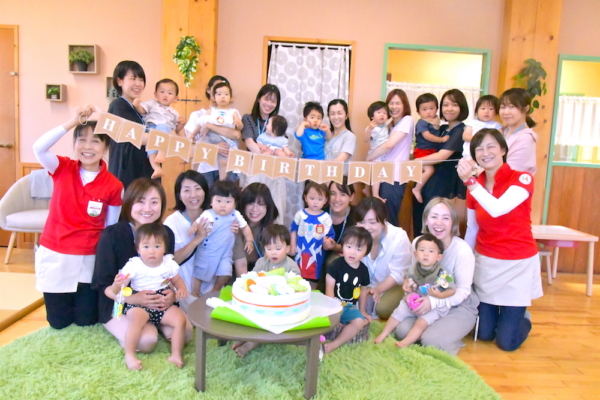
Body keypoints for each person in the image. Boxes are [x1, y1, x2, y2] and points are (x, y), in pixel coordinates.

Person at [32, 105, 123, 330]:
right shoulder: (62, 167)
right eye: (81, 140)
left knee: (86, 321)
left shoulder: (114, 185)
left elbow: (110, 227)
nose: (87, 146)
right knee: (58, 323)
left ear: (106, 147)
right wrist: (72, 122)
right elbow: (39, 148)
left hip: (88, 258)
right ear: (74, 144)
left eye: (95, 141)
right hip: (56, 253)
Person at [458, 128, 542, 351]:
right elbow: (472, 228)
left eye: (491, 146)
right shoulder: (475, 185)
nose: (485, 153)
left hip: (518, 263)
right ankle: (505, 317)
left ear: (503, 150)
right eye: (479, 149)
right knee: (483, 334)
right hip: (487, 263)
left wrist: (470, 183)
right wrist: (463, 262)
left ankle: (521, 318)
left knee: (507, 343)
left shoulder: (522, 178)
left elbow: (497, 209)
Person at [92, 178, 192, 353]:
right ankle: (148, 328)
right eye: (141, 201)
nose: (148, 208)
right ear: (129, 203)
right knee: (146, 341)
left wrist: (171, 295)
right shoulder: (113, 235)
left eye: (154, 202)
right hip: (119, 302)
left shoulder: (165, 233)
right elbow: (103, 285)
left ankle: (157, 323)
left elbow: (167, 273)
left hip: (157, 300)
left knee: (186, 334)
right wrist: (132, 299)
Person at [395, 197, 478, 356]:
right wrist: (409, 286)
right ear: (426, 220)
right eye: (434, 217)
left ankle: (448, 335)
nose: (439, 223)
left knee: (431, 340)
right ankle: (436, 331)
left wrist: (433, 302)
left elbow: (463, 291)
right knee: (402, 331)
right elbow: (414, 275)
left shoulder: (462, 250)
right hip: (426, 299)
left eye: (445, 218)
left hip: (458, 305)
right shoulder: (418, 242)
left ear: (453, 222)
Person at [106, 223, 188, 370]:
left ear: (164, 248)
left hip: (162, 301)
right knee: (136, 321)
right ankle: (130, 355)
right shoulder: (134, 265)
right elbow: (117, 289)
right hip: (139, 302)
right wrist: (117, 284)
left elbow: (177, 279)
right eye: (146, 246)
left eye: (157, 246)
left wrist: (181, 289)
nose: (152, 251)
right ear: (138, 249)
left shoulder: (168, 263)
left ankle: (176, 354)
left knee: (180, 320)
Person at [374, 234, 456, 347]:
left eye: (431, 251)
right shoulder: (413, 268)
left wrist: (439, 295)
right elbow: (408, 279)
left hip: (434, 306)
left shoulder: (443, 273)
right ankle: (383, 334)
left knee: (421, 323)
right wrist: (406, 286)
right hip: (414, 299)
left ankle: (405, 343)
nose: (426, 254)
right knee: (397, 313)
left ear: (439, 257)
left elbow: (452, 290)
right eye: (422, 250)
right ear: (416, 254)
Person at [231, 224, 299, 358]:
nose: (273, 252)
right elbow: (253, 278)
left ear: (287, 248)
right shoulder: (261, 262)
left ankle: (250, 343)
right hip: (261, 302)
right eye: (269, 249)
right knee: (249, 318)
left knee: (266, 323)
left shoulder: (291, 266)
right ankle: (244, 337)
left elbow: (295, 284)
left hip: (280, 307)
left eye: (278, 249)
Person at [411, 89, 469, 236]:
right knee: (420, 221)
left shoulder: (460, 130)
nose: (449, 109)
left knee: (432, 224)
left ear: (461, 107)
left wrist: (415, 161)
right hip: (427, 178)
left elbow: (441, 156)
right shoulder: (442, 128)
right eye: (446, 105)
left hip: (441, 182)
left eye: (454, 105)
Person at [188, 180, 253, 297]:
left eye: (228, 201)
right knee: (199, 274)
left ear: (235, 204)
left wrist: (249, 240)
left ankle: (216, 288)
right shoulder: (208, 214)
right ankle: (195, 292)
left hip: (225, 254)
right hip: (208, 252)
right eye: (218, 201)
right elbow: (197, 223)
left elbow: (245, 227)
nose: (223, 205)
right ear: (211, 202)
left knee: (226, 273)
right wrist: (193, 227)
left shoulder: (235, 214)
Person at [354, 197, 412, 319]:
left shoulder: (399, 238)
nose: (366, 227)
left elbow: (398, 274)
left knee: (382, 308)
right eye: (362, 222)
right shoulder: (356, 234)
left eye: (372, 222)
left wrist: (378, 290)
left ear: (383, 220)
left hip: (393, 285)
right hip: (365, 284)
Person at [365, 89, 414, 226]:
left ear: (404, 105)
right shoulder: (389, 126)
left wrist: (369, 157)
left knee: (390, 220)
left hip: (395, 177)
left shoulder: (407, 120)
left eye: (398, 103)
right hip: (383, 175)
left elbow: (389, 145)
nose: (394, 107)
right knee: (381, 219)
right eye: (391, 103)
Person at [241, 84, 286, 223]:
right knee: (251, 206)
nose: (269, 104)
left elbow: (282, 146)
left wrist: (274, 154)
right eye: (267, 99)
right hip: (254, 167)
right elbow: (249, 142)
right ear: (259, 99)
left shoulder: (278, 121)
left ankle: (275, 236)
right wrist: (265, 156)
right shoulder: (248, 118)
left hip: (274, 170)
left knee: (275, 206)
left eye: (273, 101)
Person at [184, 75, 241, 186]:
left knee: (225, 192)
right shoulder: (198, 115)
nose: (222, 96)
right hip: (205, 168)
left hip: (228, 165)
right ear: (209, 91)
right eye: (217, 91)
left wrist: (210, 126)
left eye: (225, 93)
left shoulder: (232, 113)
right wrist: (215, 148)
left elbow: (236, 134)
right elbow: (192, 146)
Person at [324, 226, 372, 354]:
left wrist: (362, 310)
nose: (353, 252)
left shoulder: (363, 270)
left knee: (359, 322)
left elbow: (363, 290)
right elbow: (329, 289)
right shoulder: (335, 265)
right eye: (349, 247)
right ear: (343, 246)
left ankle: (335, 344)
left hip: (349, 307)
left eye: (359, 249)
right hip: (332, 305)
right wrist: (333, 311)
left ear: (366, 252)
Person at [107, 60, 154, 189]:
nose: (138, 84)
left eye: (141, 79)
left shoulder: (139, 109)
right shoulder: (118, 105)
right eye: (133, 78)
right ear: (120, 81)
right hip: (127, 173)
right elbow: (135, 135)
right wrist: (163, 139)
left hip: (141, 172)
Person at [133, 78, 184, 179]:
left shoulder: (174, 113)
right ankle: (156, 168)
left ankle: (161, 152)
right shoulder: (152, 103)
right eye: (162, 92)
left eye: (170, 93)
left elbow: (177, 130)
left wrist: (181, 124)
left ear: (175, 98)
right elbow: (142, 111)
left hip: (165, 130)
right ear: (155, 94)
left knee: (163, 126)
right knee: (150, 149)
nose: (165, 95)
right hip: (151, 129)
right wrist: (137, 105)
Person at [289, 181, 335, 289]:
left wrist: (328, 242)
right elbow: (293, 229)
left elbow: (331, 235)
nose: (315, 202)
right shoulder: (300, 214)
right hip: (300, 252)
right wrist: (292, 245)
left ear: (326, 200)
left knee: (314, 276)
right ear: (305, 197)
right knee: (298, 275)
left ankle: (313, 294)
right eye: (312, 198)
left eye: (320, 199)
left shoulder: (326, 218)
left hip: (317, 255)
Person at [232, 182, 280, 274]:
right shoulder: (236, 226)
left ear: (268, 206)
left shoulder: (271, 226)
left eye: (260, 204)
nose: (255, 209)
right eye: (250, 203)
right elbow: (241, 264)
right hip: (236, 271)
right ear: (243, 204)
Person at [412, 93, 449, 203]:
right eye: (424, 109)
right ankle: (416, 189)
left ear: (437, 109)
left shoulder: (436, 122)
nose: (428, 112)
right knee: (429, 170)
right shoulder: (422, 122)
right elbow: (427, 136)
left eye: (431, 108)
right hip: (423, 151)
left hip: (431, 151)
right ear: (418, 112)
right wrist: (441, 140)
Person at [499, 88, 538, 174]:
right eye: (503, 107)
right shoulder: (501, 131)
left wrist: (477, 171)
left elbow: (509, 173)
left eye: (512, 107)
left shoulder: (526, 139)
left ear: (526, 108)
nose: (506, 112)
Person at [322, 178, 356, 265]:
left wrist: (335, 247)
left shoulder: (357, 216)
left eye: (343, 194)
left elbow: (356, 247)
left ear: (351, 197)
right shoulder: (319, 213)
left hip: (344, 259)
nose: (337, 199)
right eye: (333, 193)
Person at [364, 101, 392, 201]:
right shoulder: (372, 128)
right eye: (379, 112)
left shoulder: (385, 125)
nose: (382, 115)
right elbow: (365, 139)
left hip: (382, 154)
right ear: (372, 116)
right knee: (377, 175)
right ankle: (375, 194)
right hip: (376, 155)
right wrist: (370, 129)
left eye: (385, 113)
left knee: (371, 173)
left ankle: (366, 188)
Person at [462, 95, 502, 160]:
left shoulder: (496, 125)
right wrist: (480, 139)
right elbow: (465, 136)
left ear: (496, 112)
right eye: (483, 108)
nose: (486, 112)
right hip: (469, 156)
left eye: (491, 109)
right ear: (477, 110)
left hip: (488, 157)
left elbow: (500, 139)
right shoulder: (472, 123)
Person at [324, 99, 356, 164]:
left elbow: (339, 161)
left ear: (346, 115)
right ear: (328, 116)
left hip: (336, 171)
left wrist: (319, 165)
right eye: (332, 114)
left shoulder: (350, 136)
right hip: (320, 170)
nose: (336, 117)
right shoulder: (326, 134)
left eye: (339, 113)